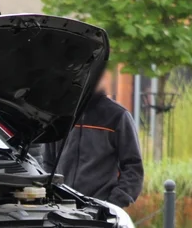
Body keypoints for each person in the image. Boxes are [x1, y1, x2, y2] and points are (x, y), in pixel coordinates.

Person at [42, 75, 144, 208]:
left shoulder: (117, 116)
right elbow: (48, 161)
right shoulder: (60, 114)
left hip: (99, 213)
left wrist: (112, 204)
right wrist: (52, 194)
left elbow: (133, 168)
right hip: (61, 209)